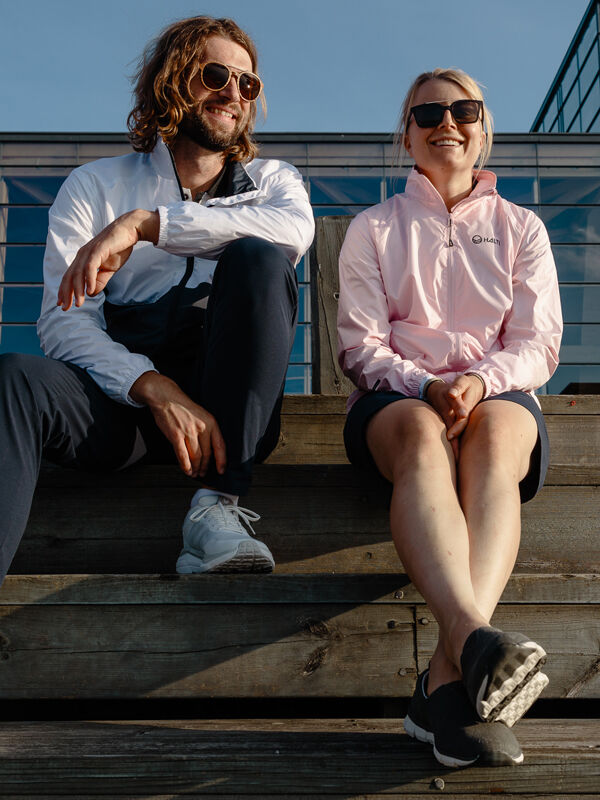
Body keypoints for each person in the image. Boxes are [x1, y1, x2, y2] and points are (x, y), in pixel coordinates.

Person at [0, 16, 314, 583]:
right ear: (172, 80)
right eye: (216, 74)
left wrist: (147, 225)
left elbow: (291, 236)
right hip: (126, 408)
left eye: (248, 84)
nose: (233, 93)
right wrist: (153, 387)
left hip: (231, 414)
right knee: (15, 377)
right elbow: (63, 323)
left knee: (259, 255)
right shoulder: (94, 185)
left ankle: (216, 508)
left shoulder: (275, 181)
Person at [337, 69, 562, 768]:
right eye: (428, 111)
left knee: (497, 431)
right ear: (406, 134)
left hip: (497, 399)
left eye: (464, 108)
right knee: (419, 433)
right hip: (398, 404)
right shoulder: (372, 229)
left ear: (484, 126)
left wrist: (478, 382)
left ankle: (449, 673)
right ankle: (472, 649)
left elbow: (538, 343)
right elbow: (360, 345)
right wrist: (427, 386)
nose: (448, 121)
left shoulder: (522, 228)